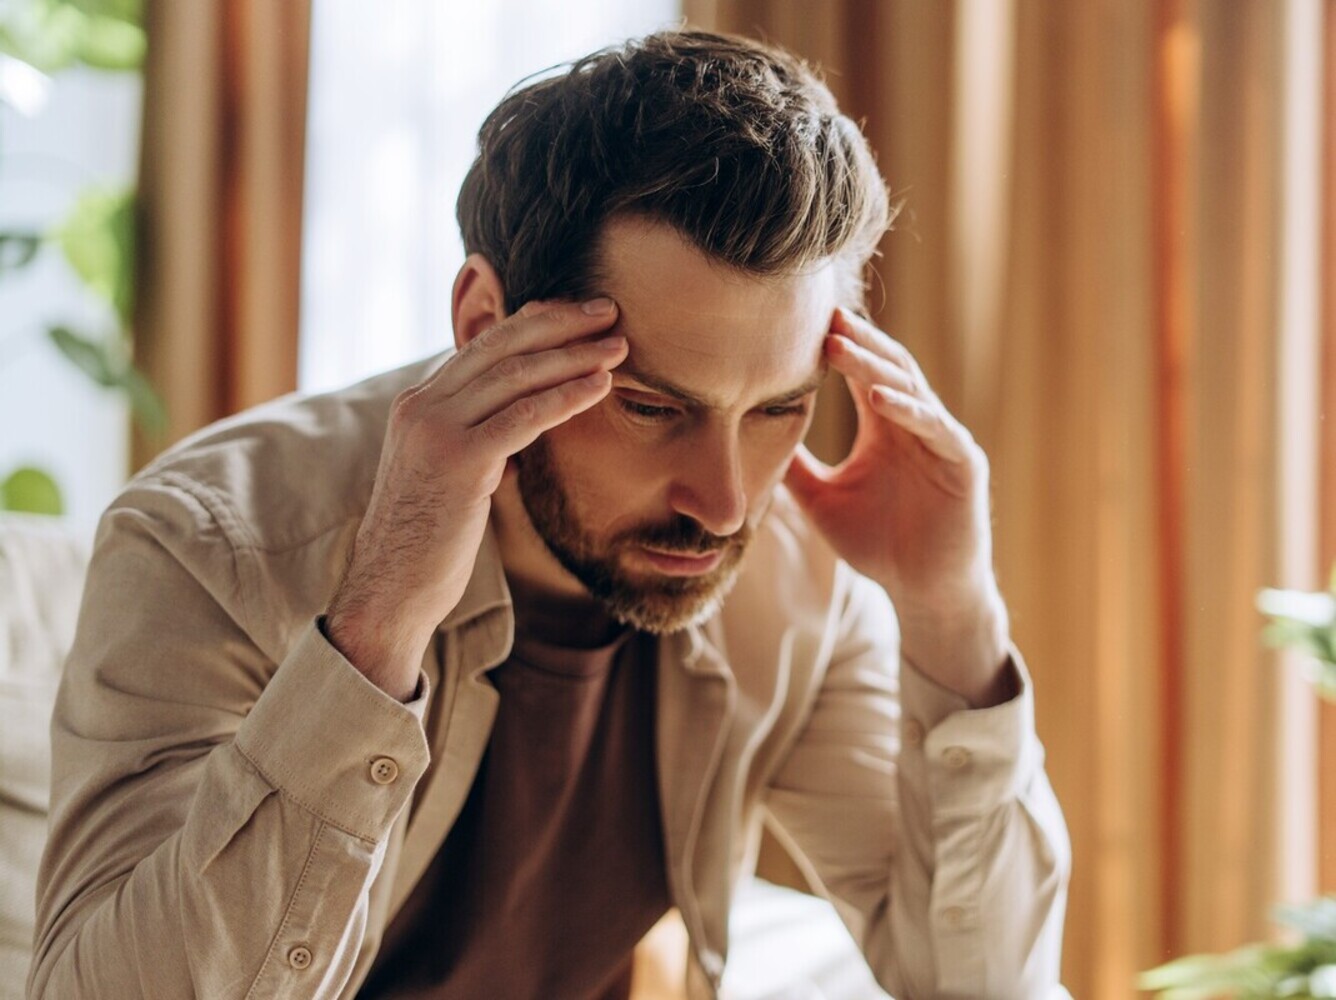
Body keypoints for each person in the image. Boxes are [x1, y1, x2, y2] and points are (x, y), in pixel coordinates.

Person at [28, 30, 1069, 1000]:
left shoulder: (791, 559)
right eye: (654, 407)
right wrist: (377, 626)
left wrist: (950, 610)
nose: (726, 500)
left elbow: (977, 982)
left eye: (780, 408)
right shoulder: (214, 542)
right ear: (488, 325)